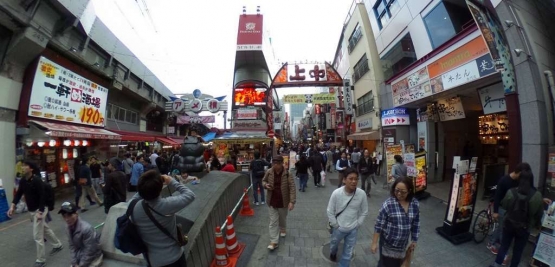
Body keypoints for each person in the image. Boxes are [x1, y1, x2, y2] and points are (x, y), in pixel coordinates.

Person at [130, 170, 196, 267]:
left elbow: (137, 196)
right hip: (174, 258)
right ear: (160, 189)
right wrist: (171, 181)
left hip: (152, 261)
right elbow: (190, 195)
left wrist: (146, 186)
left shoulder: (133, 206)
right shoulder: (166, 205)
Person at [7, 161, 64, 267]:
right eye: (22, 166)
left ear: (31, 169)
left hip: (40, 209)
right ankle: (58, 245)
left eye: (25, 166)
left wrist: (40, 212)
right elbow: (19, 193)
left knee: (37, 236)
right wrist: (12, 205)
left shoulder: (37, 181)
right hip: (32, 210)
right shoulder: (23, 180)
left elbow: (42, 196)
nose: (23, 168)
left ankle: (41, 260)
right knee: (45, 229)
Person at [491, 170, 544, 267]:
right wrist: (537, 225)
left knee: (504, 246)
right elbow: (539, 213)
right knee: (518, 251)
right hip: (525, 227)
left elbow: (505, 206)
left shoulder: (511, 192)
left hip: (509, 224)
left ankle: (496, 264)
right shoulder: (537, 196)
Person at [372, 177, 420, 267]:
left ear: (409, 191)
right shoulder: (388, 204)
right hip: (387, 243)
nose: (399, 193)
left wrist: (414, 240)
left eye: (403, 192)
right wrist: (374, 243)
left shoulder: (414, 204)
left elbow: (416, 223)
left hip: (402, 245)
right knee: (384, 264)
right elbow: (378, 224)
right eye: (396, 190)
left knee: (397, 264)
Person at [488, 163, 533, 255]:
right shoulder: (504, 180)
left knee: (501, 228)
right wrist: (495, 211)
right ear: (519, 172)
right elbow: (497, 196)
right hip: (502, 208)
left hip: (513, 208)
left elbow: (530, 189)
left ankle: (492, 241)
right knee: (502, 228)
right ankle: (499, 248)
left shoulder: (520, 180)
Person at [327, 167, 368, 266]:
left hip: (352, 229)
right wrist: (336, 225)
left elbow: (364, 211)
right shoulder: (336, 193)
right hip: (338, 228)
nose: (354, 181)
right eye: (351, 178)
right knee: (333, 246)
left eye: (356, 179)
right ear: (344, 180)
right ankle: (333, 252)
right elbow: (330, 211)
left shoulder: (361, 194)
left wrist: (357, 224)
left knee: (348, 253)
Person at [263, 156, 296, 251]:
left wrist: (292, 201)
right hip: (272, 200)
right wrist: (266, 185)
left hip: (283, 201)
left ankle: (283, 228)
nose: (275, 165)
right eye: (274, 163)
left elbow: (292, 188)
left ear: (282, 163)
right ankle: (274, 241)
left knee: (282, 218)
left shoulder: (287, 174)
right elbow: (263, 181)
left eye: (277, 163)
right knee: (273, 222)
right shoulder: (269, 172)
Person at [58, 202, 103, 267]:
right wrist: (74, 262)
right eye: (64, 216)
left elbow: (90, 251)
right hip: (80, 253)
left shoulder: (86, 229)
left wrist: (81, 265)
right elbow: (72, 246)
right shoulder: (68, 227)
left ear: (76, 214)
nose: (67, 219)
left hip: (94, 256)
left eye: (70, 215)